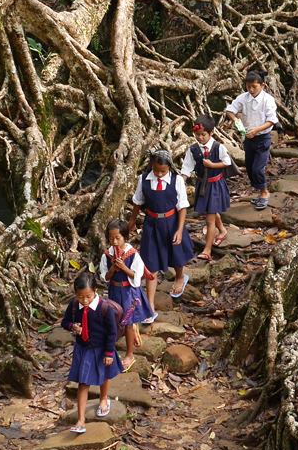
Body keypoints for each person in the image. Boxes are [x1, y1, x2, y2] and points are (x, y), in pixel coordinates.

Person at [128, 148, 196, 300]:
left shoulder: (176, 180)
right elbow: (138, 202)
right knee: (150, 260)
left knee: (176, 253)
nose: (159, 174)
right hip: (151, 223)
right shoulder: (144, 179)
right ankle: (150, 306)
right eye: (156, 170)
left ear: (169, 167)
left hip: (171, 222)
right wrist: (132, 220)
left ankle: (180, 277)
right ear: (152, 165)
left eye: (163, 171)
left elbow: (182, 206)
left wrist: (179, 230)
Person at [59, 273, 123, 433]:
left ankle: (103, 399)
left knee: (104, 375)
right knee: (83, 382)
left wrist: (109, 353)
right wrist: (73, 326)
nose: (85, 301)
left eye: (88, 296)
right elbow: (65, 322)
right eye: (81, 297)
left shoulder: (104, 308)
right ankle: (81, 421)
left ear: (95, 290)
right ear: (75, 294)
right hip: (84, 348)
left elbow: (111, 332)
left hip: (102, 348)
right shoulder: (74, 305)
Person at [99, 219, 155, 370]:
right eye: (111, 238)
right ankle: (111, 350)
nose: (114, 241)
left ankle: (129, 354)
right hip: (114, 291)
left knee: (128, 322)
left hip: (128, 292)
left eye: (118, 238)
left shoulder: (132, 254)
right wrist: (113, 270)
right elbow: (104, 277)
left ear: (125, 237)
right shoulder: (107, 256)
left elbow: (137, 278)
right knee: (114, 319)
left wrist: (123, 267)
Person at [223, 70, 278, 209]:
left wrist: (256, 130)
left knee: (258, 168)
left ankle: (265, 192)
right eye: (248, 87)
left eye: (254, 86)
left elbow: (272, 120)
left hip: (263, 137)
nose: (251, 89)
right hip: (248, 138)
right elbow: (230, 110)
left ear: (263, 85)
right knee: (249, 166)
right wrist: (235, 119)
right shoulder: (243, 98)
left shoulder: (268, 100)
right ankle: (259, 191)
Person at [180, 115, 231, 261]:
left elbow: (226, 162)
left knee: (209, 219)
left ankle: (207, 250)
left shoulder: (218, 147)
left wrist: (213, 165)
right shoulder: (193, 150)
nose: (200, 138)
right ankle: (222, 229)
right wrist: (181, 182)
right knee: (211, 210)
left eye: (203, 135)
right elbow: (187, 168)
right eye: (197, 135)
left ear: (211, 133)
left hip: (215, 185)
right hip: (202, 184)